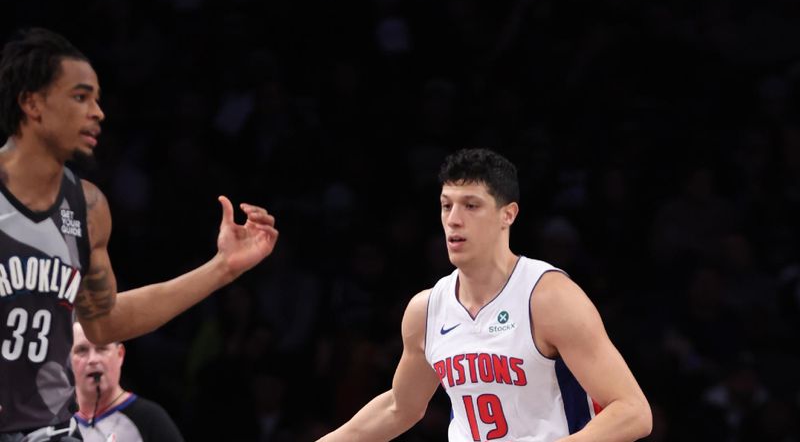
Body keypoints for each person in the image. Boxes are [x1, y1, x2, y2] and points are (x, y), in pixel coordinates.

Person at [0, 28, 278, 440]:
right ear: (32, 103)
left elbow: (106, 322)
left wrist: (222, 269)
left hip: (49, 430)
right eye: (79, 97)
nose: (97, 112)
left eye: (96, 98)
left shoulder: (87, 206)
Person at [317, 148, 652, 441]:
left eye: (471, 206)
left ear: (508, 214)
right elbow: (399, 407)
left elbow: (633, 412)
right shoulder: (426, 309)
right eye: (446, 206)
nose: (454, 220)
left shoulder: (548, 298)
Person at [70, 322, 183, 441]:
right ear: (67, 360)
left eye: (102, 348)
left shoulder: (150, 419)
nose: (93, 359)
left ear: (120, 355)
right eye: (81, 350)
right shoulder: (56, 423)